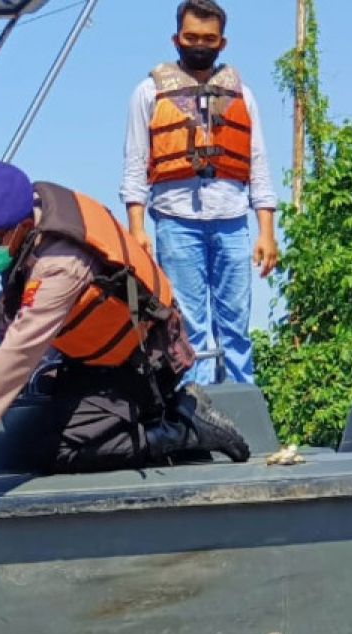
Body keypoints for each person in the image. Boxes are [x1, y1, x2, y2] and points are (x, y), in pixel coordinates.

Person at [0, 161, 251, 480]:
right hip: (94, 360)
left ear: (18, 228)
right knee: (31, 413)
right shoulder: (34, 210)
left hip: (142, 362)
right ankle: (151, 418)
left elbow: (18, 352)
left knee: (53, 450)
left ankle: (181, 428)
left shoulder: (61, 265)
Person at [121, 0, 280, 385]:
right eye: (191, 37)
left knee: (236, 324)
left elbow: (258, 163)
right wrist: (137, 227)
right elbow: (135, 162)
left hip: (231, 220)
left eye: (208, 39)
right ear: (176, 38)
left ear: (222, 43)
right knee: (190, 325)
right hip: (176, 221)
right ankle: (200, 406)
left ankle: (243, 398)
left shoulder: (242, 93)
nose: (199, 45)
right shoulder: (148, 92)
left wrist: (267, 231)